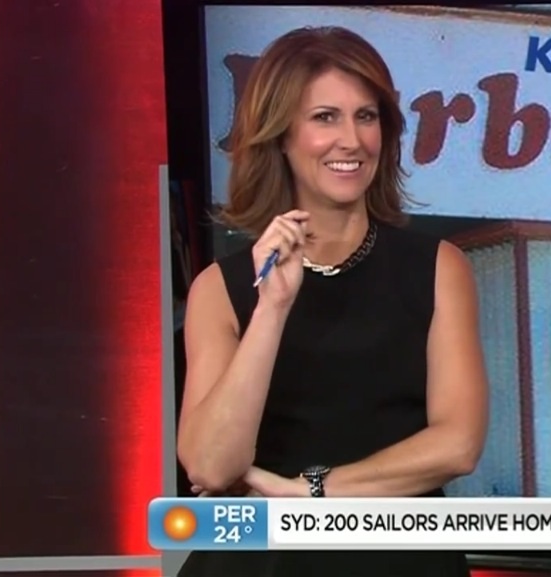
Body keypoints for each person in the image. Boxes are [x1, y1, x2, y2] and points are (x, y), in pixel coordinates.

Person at [175, 26, 488, 577]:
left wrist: (313, 493)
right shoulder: (219, 288)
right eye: (325, 117)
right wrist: (272, 309)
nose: (352, 140)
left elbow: (457, 445)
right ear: (281, 135)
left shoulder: (439, 268)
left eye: (365, 116)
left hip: (401, 560)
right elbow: (210, 465)